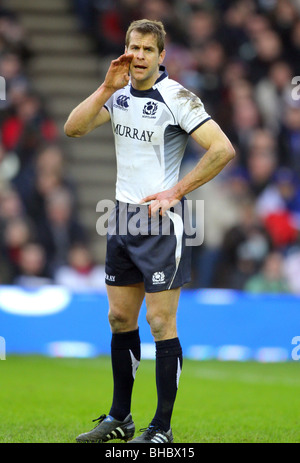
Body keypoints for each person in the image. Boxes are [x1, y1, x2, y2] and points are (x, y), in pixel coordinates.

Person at [64, 19, 235, 444]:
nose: (137, 55)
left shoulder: (178, 97)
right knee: (120, 317)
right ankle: (120, 418)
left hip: (161, 225)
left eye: (146, 49)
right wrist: (105, 87)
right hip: (121, 219)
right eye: (132, 47)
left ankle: (162, 427)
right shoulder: (118, 95)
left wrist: (176, 191)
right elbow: (74, 128)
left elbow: (223, 149)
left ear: (162, 56)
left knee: (160, 324)